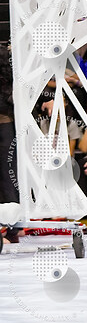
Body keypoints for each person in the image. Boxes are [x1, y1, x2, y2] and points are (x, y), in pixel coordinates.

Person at [0, 45, 20, 244]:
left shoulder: (4, 57)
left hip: (5, 122)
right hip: (5, 122)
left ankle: (11, 227)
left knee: (8, 174)